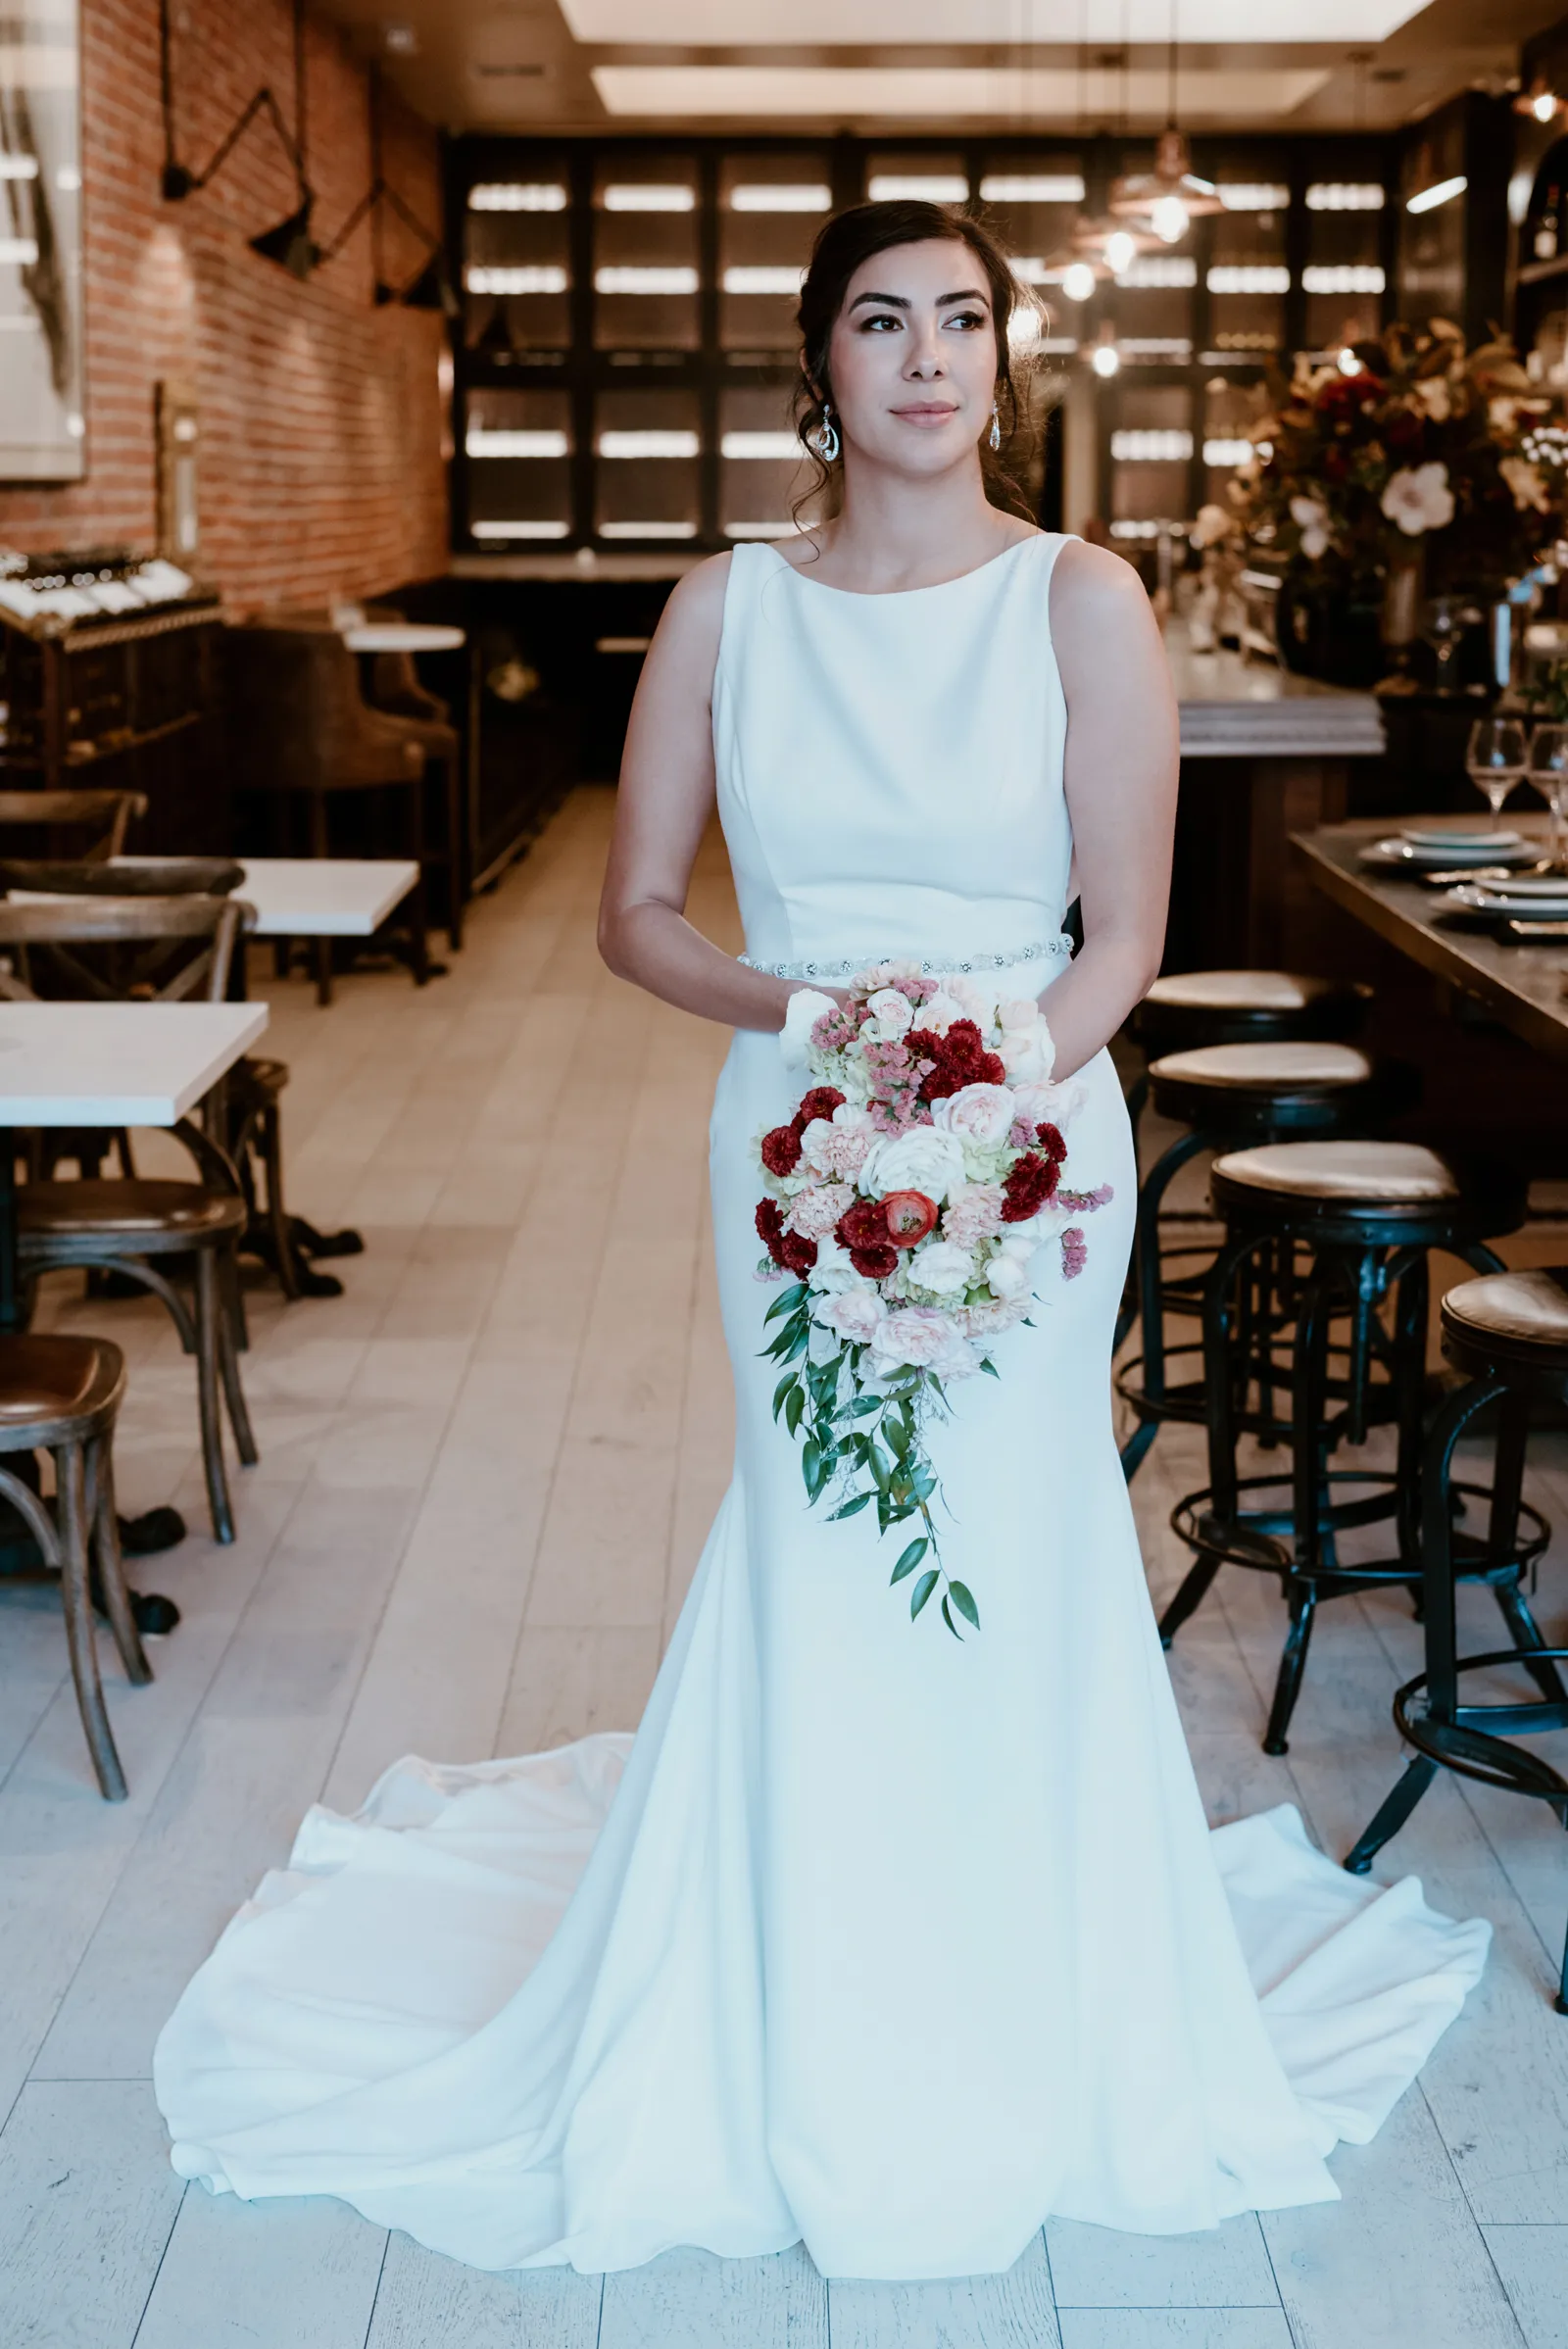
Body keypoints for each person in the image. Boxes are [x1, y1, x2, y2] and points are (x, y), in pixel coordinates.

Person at [153, 201, 1490, 2281]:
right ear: (821, 361)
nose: (929, 357)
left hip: (1031, 1124)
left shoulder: (1081, 599)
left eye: (964, 320)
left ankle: (1020, 1982)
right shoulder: (724, 611)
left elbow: (1124, 939)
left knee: (1018, 1521)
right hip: (793, 1127)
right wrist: (824, 1040)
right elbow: (636, 912)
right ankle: (797, 1985)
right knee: (817, 1529)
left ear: (998, 361)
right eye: (883, 320)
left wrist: (974, 1102)